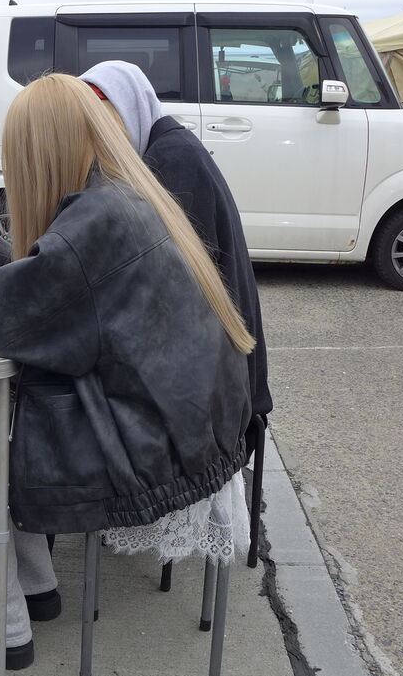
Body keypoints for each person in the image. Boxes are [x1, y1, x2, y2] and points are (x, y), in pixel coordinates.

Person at [0, 74, 254, 668]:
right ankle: (33, 587)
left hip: (153, 446)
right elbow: (52, 290)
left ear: (35, 152)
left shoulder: (94, 220)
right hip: (191, 426)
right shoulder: (125, 197)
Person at [79, 60, 272, 425]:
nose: (98, 141)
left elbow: (171, 291)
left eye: (102, 125)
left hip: (219, 396)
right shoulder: (167, 147)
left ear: (128, 108)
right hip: (215, 378)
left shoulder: (170, 160)